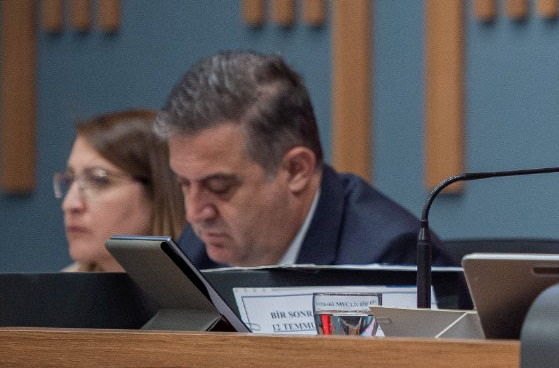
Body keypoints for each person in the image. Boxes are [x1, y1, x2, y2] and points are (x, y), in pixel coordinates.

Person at [157, 51, 450, 268]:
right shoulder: (198, 250)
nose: (194, 212)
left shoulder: (391, 259)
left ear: (296, 170)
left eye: (219, 187)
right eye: (184, 184)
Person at [57, 109, 186, 272]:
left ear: (158, 192)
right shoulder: (57, 286)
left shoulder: (209, 286)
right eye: (70, 180)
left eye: (98, 180)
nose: (69, 205)